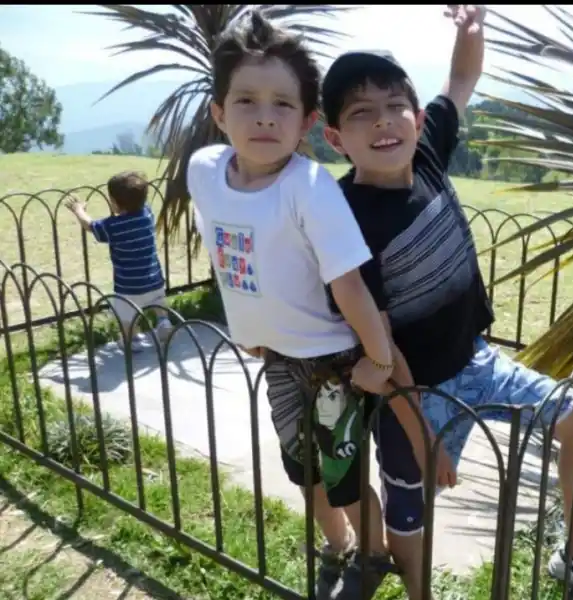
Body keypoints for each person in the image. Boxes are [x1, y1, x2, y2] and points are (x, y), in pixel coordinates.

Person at [315, 5, 573, 600]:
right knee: (411, 518)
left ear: (413, 115)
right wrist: (424, 432)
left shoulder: (427, 150)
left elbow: (460, 83)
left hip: (477, 361)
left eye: (395, 107)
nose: (385, 124)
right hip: (408, 391)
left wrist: (470, 29)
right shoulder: (343, 218)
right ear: (335, 137)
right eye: (362, 115)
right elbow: (378, 344)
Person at [184, 12, 431, 600]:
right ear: (219, 113)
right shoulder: (204, 171)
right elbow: (224, 245)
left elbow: (349, 286)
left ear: (308, 123)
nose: (264, 115)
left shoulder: (309, 187)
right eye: (245, 100)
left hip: (333, 364)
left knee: (343, 477)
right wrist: (246, 320)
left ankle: (371, 556)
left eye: (282, 104)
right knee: (304, 473)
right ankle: (339, 545)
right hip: (277, 359)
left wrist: (376, 359)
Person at [64, 171, 172, 352]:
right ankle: (163, 322)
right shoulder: (147, 215)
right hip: (154, 279)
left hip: (128, 286)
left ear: (115, 203)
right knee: (159, 303)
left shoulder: (113, 227)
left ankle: (131, 340)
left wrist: (79, 210)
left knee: (126, 316)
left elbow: (90, 226)